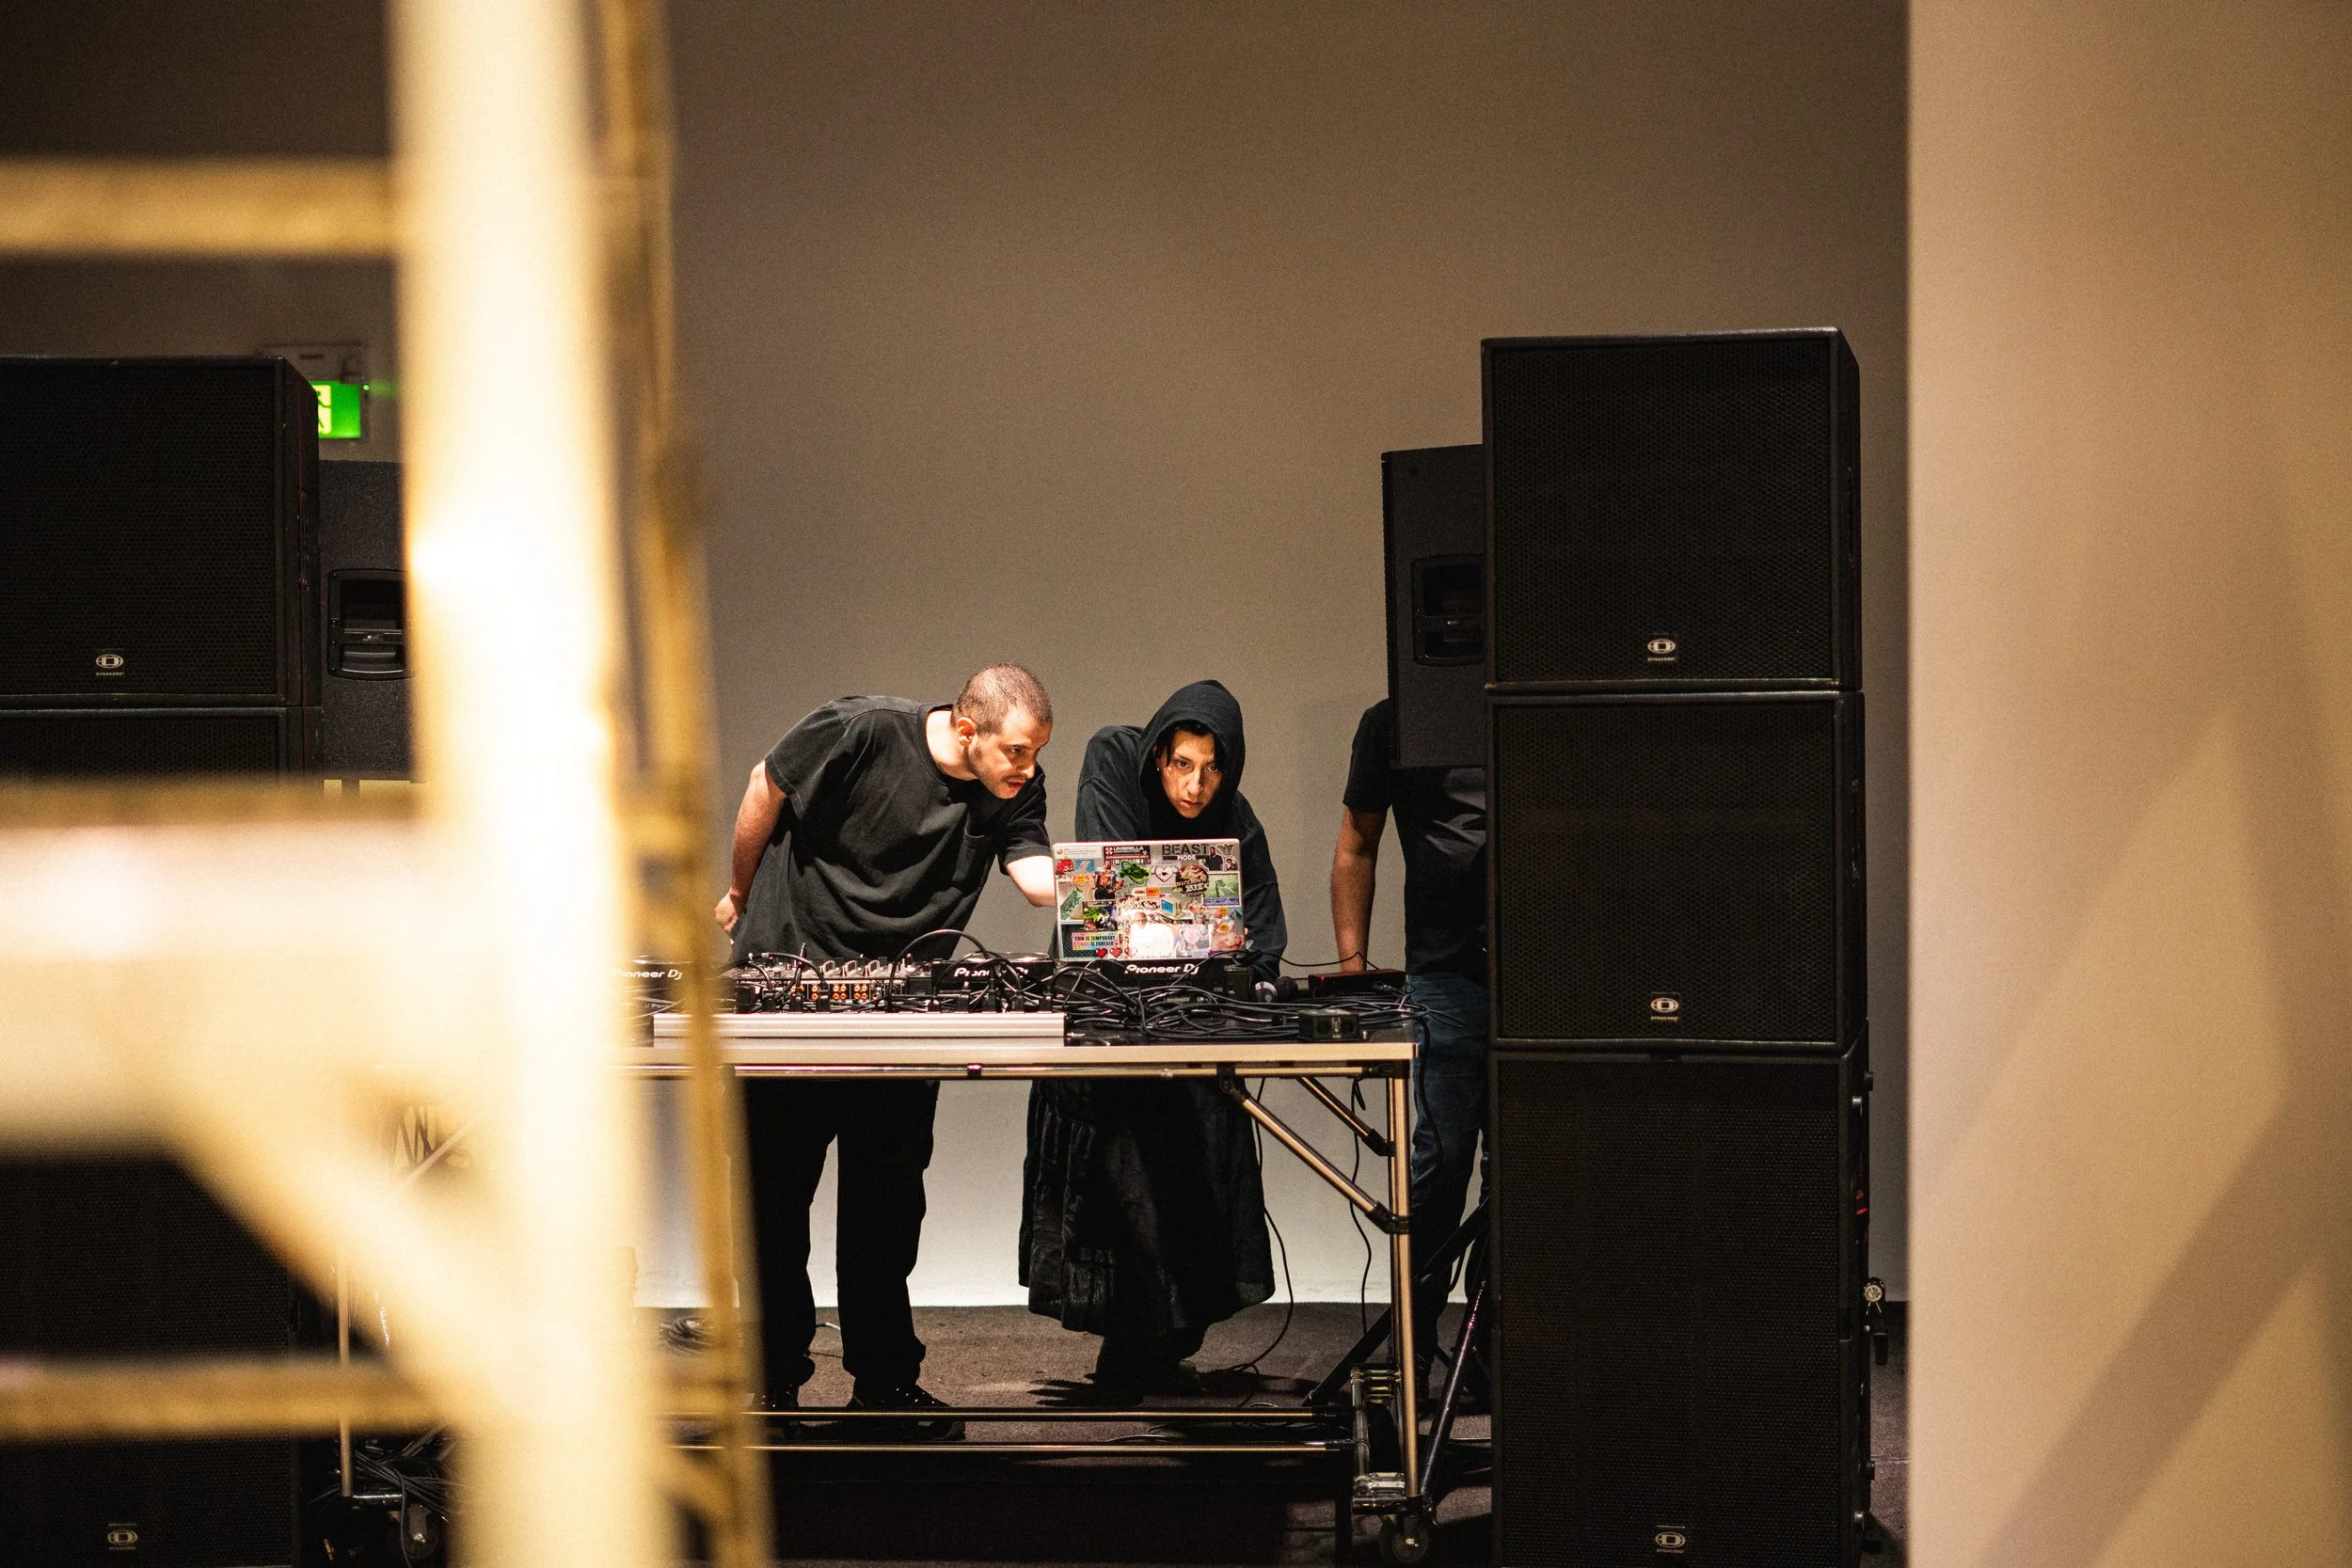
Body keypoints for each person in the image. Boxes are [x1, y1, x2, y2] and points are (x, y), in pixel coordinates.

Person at [717, 665, 1057, 1437]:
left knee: (886, 1205)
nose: (1026, 768)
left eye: (1035, 753)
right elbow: (765, 784)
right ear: (967, 731)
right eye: (1014, 751)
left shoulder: (1010, 789)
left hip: (903, 1015)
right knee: (773, 1203)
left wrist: (1119, 888)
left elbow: (1034, 876)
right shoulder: (862, 728)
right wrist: (740, 896)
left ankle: (884, 1383)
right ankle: (770, 1385)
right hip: (789, 1003)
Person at [1018, 679, 1287, 1396]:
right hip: (1108, 1026)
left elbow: (1261, 938)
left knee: (1194, 1190)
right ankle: (1129, 1354)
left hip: (1190, 1038)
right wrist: (1204, 925)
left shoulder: (1240, 820)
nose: (1195, 786)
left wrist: (1236, 966)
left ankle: (1161, 1350)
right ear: (1159, 755)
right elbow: (1108, 898)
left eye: (1210, 768)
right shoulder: (1114, 759)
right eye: (1180, 765)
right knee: (1121, 1191)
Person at [1328, 696, 1487, 1388]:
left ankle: (1491, 1358)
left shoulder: (1539, 703)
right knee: (1440, 1169)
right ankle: (1412, 1358)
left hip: (1551, 976)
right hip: (1446, 972)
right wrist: (1353, 965)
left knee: (1532, 1179)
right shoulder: (1395, 721)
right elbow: (1355, 843)